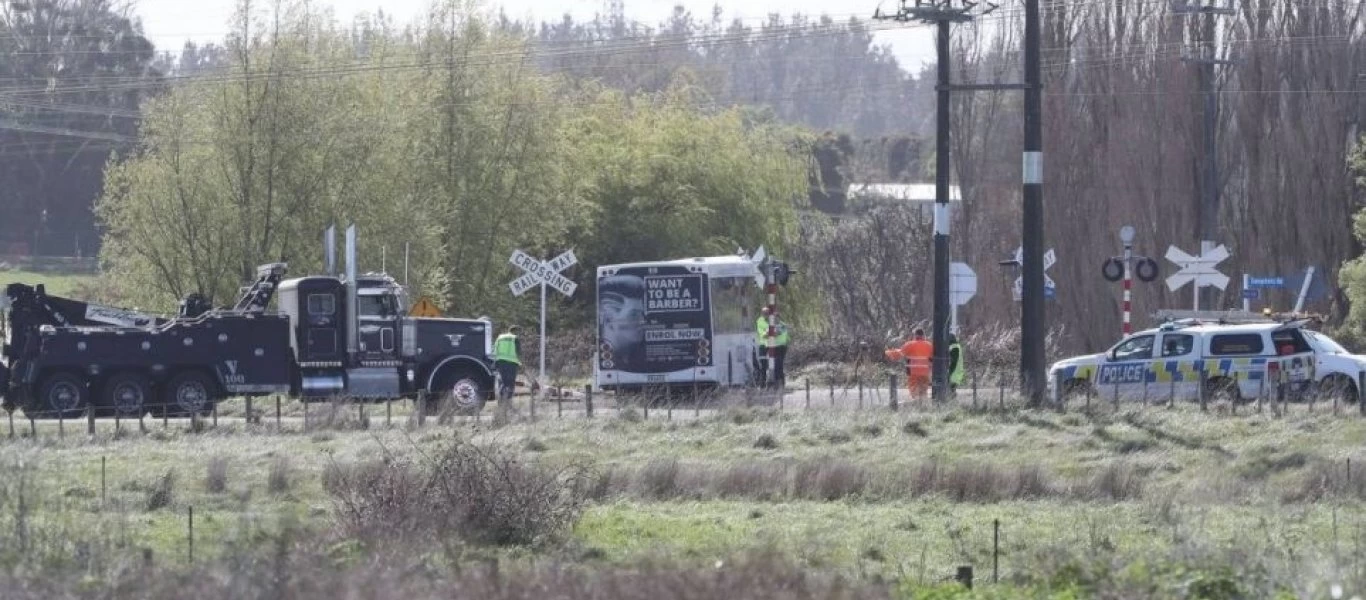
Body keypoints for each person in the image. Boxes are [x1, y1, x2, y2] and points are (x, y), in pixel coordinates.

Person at [885, 328, 933, 399]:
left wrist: (887, 353)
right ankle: (923, 403)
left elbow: (899, 354)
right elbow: (934, 358)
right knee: (923, 389)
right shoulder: (930, 345)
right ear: (924, 336)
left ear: (915, 336)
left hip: (913, 371)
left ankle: (915, 401)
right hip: (925, 371)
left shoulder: (910, 344)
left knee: (914, 389)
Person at [493, 325, 521, 402]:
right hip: (511, 363)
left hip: (500, 362)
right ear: (515, 331)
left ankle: (501, 400)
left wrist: (495, 361)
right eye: (518, 332)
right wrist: (521, 362)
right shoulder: (515, 338)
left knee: (502, 381)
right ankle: (508, 401)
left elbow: (495, 348)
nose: (519, 334)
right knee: (510, 383)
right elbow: (518, 352)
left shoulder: (500, 337)